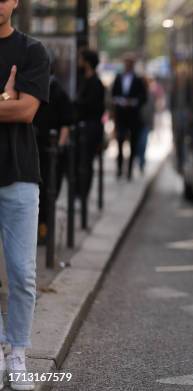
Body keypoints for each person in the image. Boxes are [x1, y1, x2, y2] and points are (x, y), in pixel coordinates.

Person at [0, 0, 51, 389]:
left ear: (15, 2)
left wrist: (15, 104)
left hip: (19, 175)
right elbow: (13, 108)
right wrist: (4, 100)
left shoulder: (32, 51)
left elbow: (27, 112)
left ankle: (18, 353)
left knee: (22, 273)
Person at [33, 49, 74, 244]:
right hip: (35, 150)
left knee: (50, 192)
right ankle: (39, 230)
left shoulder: (57, 91)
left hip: (50, 152)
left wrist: (58, 147)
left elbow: (66, 123)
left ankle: (44, 231)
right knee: (38, 194)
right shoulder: (33, 89)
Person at [75, 48, 106, 199]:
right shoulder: (83, 79)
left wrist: (77, 104)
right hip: (84, 126)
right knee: (80, 160)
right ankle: (79, 192)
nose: (78, 62)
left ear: (87, 62)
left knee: (86, 161)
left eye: (81, 59)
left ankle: (83, 193)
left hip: (90, 127)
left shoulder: (95, 82)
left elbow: (93, 106)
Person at [111, 54, 147, 180]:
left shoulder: (138, 80)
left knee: (133, 144)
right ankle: (120, 169)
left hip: (133, 117)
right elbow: (113, 95)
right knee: (120, 143)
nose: (127, 65)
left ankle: (130, 171)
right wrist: (119, 102)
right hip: (121, 116)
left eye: (130, 63)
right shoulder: (118, 78)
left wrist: (133, 102)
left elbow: (143, 97)